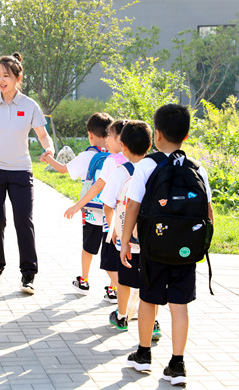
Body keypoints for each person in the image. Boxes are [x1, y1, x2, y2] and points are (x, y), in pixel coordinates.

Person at [120, 104, 214, 385]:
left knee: (149, 298)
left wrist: (125, 241)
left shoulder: (147, 165)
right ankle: (177, 364)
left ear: (156, 134)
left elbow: (132, 205)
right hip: (186, 252)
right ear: (185, 135)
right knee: (180, 304)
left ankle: (144, 354)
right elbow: (208, 214)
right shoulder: (198, 168)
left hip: (154, 248)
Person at [0, 53, 54, 294]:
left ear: (18, 78)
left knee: (24, 220)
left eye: (6, 76)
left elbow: (43, 135)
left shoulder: (29, 105)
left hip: (20, 171)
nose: (1, 80)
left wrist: (49, 148)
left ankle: (28, 274)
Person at [41, 113, 114, 297]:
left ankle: (84, 280)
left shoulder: (86, 156)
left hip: (91, 209)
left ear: (90, 134)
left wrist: (48, 159)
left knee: (88, 246)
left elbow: (64, 169)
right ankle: (114, 288)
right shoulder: (116, 157)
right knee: (111, 249)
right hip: (111, 212)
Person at [99, 120, 159, 336]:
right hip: (153, 238)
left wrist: (113, 230)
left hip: (127, 238)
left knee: (125, 279)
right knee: (151, 280)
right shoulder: (156, 167)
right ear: (150, 143)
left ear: (122, 145)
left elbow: (108, 203)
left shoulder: (121, 171)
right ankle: (153, 323)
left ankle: (122, 316)